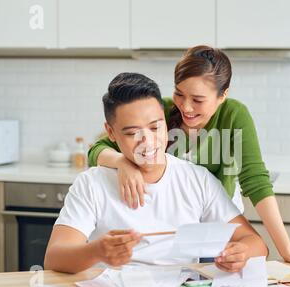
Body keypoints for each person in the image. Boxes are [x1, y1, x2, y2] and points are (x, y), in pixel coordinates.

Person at [88, 45, 290, 265]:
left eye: (198, 99)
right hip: (171, 232)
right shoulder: (159, 114)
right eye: (180, 94)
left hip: (218, 228)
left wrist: (287, 251)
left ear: (222, 96)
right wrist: (122, 162)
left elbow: (255, 180)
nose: (186, 107)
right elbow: (97, 149)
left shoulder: (234, 115)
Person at [44, 72, 267, 274]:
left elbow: (256, 243)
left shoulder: (197, 180)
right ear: (111, 132)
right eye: (132, 133)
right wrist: (97, 252)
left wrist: (242, 252)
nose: (148, 142)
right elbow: (54, 258)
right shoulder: (91, 184)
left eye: (155, 127)